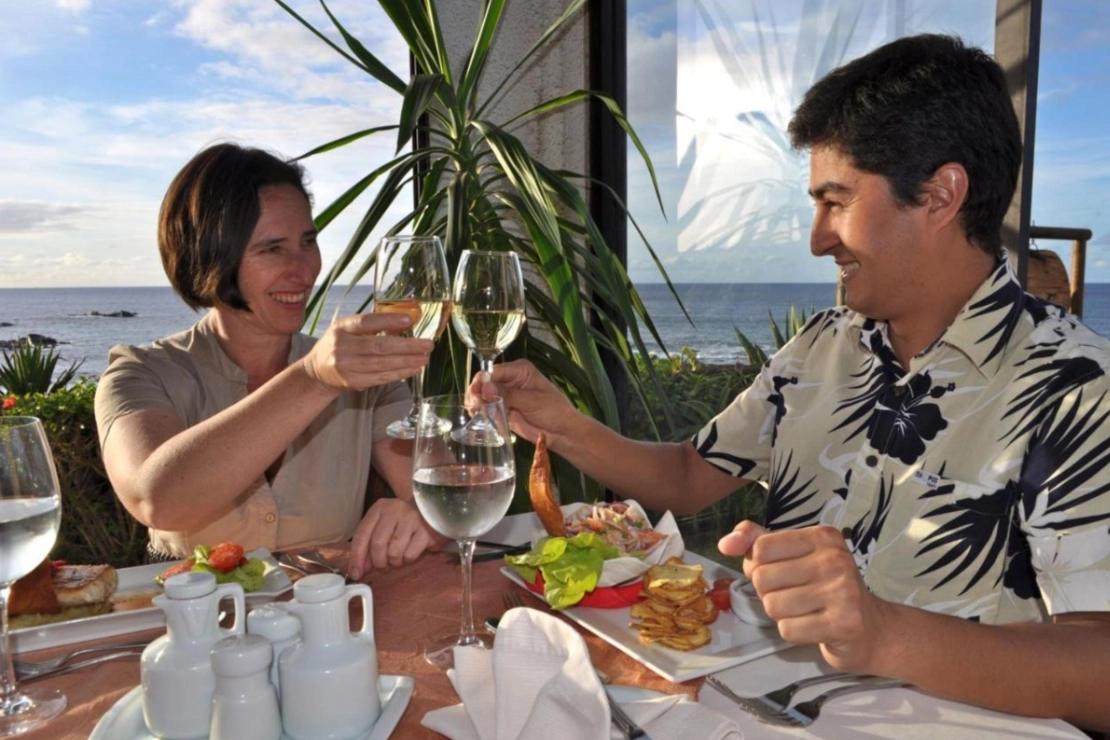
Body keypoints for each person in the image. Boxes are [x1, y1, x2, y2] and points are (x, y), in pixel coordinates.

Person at [472, 35, 1110, 731]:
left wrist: (885, 633)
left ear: (940, 194)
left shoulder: (1077, 387)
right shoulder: (823, 344)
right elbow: (690, 473)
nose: (816, 238)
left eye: (836, 201)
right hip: (749, 712)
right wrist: (564, 427)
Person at [95, 142, 443, 577]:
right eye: (273, 248)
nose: (304, 271)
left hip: (335, 625)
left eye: (308, 241)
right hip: (193, 631)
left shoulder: (364, 375)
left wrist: (425, 516)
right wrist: (314, 380)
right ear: (209, 253)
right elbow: (157, 499)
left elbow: (441, 494)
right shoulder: (141, 372)